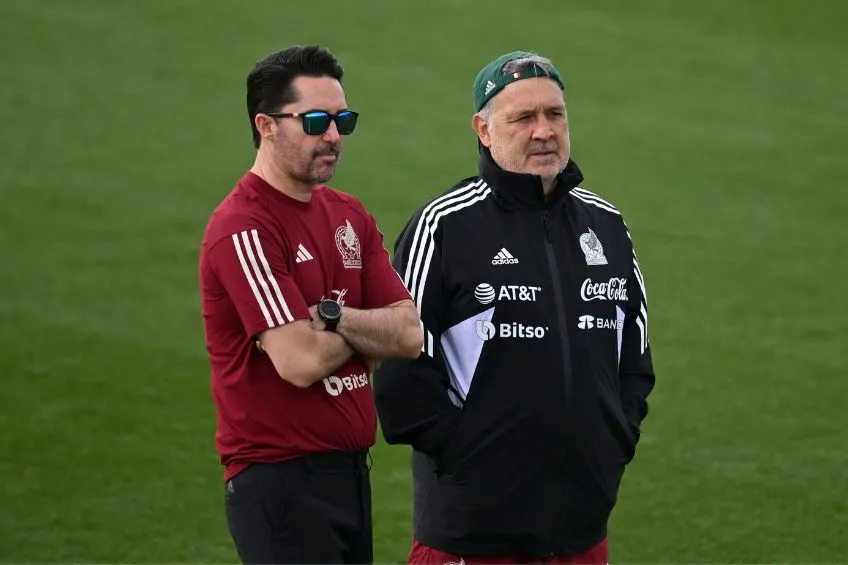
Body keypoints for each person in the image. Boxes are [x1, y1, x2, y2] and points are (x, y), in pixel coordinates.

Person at [373, 51, 656, 565]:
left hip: (582, 534)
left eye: (555, 114)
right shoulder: (443, 227)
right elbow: (401, 374)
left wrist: (614, 438)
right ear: (483, 129)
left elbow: (634, 363)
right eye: (523, 118)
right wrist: (469, 456)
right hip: (472, 538)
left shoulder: (607, 226)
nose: (544, 131)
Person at [198, 45, 423, 565]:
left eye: (343, 119)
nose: (334, 136)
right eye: (316, 121)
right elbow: (299, 362)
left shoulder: (348, 214)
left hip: (349, 474)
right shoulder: (244, 226)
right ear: (267, 125)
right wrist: (366, 337)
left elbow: (409, 334)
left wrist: (329, 317)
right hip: (280, 485)